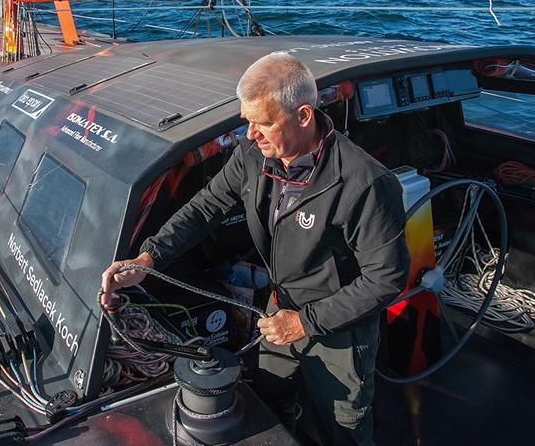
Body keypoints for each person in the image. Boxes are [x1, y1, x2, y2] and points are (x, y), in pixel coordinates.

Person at [101, 52, 409, 445]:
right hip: (279, 309)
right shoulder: (253, 154)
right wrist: (150, 257)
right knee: (267, 399)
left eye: (263, 122)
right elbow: (206, 207)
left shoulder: (366, 183)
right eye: (247, 121)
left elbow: (386, 279)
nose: (250, 134)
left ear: (303, 116)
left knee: (343, 428)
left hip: (340, 329)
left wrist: (304, 323)